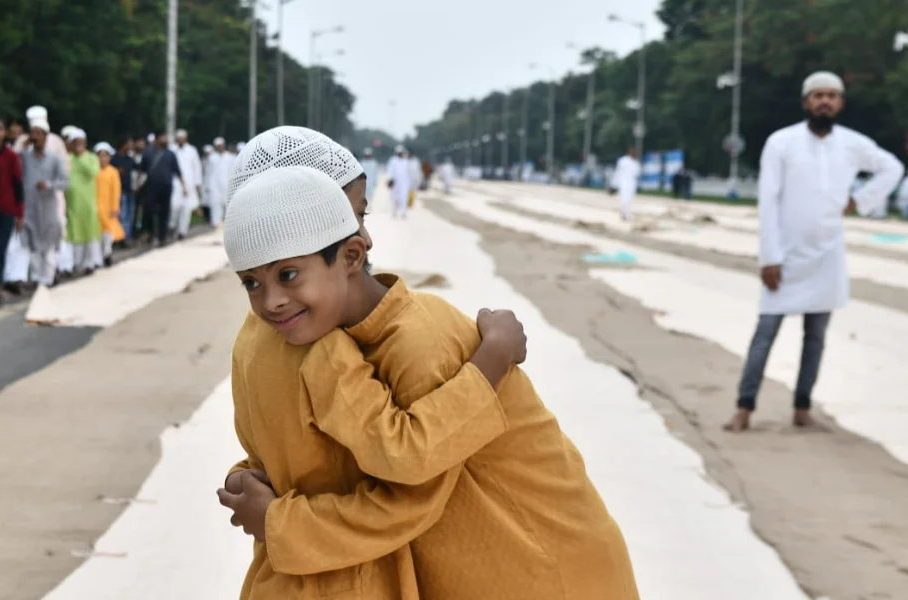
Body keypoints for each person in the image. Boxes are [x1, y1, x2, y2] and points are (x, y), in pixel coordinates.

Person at [218, 164, 638, 599]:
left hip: (540, 568)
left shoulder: (417, 342)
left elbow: (409, 469)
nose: (270, 302)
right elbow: (289, 457)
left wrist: (277, 521)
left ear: (351, 254)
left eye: (288, 274)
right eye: (251, 282)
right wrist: (245, 480)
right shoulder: (303, 340)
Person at [212, 125, 508, 597]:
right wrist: (491, 362)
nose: (366, 238)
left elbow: (266, 459)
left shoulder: (256, 335)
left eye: (362, 214)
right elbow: (408, 473)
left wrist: (242, 482)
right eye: (350, 215)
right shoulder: (319, 344)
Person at [725, 71, 903, 432]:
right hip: (785, 255)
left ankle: (803, 407)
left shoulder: (853, 144)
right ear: (806, 101)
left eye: (832, 96)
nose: (825, 101)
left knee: (816, 336)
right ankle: (744, 407)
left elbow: (892, 167)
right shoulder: (782, 143)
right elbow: (768, 202)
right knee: (765, 333)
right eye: (818, 95)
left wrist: (861, 199)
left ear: (840, 103)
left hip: (827, 256)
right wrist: (769, 257)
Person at [20, 119, 69, 287]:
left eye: (38, 133)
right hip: (30, 207)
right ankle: (35, 277)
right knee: (32, 244)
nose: (35, 137)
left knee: (49, 245)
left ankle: (47, 278)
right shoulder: (25, 156)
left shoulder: (54, 158)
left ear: (46, 136)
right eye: (32, 133)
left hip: (48, 207)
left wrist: (48, 185)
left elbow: (64, 182)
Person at [0, 116, 24, 306]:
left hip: (7, 208)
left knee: (0, 247)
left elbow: (18, 185)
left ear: (5, 133)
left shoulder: (11, 156)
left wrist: (20, 212)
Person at [61, 128, 102, 274]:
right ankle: (73, 264)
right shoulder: (67, 158)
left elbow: (93, 172)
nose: (78, 145)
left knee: (89, 233)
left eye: (80, 142)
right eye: (75, 143)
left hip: (88, 203)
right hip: (72, 203)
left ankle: (89, 263)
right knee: (74, 235)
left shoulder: (90, 157)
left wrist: (82, 155)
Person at [144, 131, 186, 247]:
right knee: (149, 211)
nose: (164, 139)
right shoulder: (148, 153)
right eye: (162, 137)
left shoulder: (170, 154)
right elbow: (142, 170)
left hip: (166, 187)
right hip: (151, 186)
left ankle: (162, 236)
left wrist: (184, 186)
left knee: (165, 212)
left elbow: (177, 171)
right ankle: (152, 233)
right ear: (157, 139)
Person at [93, 141, 124, 265]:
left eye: (106, 156)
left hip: (108, 208)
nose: (103, 159)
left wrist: (115, 207)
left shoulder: (113, 172)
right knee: (95, 236)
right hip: (95, 207)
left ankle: (107, 254)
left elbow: (116, 191)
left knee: (108, 235)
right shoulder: (93, 171)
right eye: (101, 155)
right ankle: (96, 259)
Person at [169, 129, 203, 240]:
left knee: (186, 209)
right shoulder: (172, 150)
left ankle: (182, 231)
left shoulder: (192, 150)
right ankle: (172, 226)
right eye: (179, 138)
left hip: (189, 183)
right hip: (175, 183)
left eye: (182, 138)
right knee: (174, 206)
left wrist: (197, 183)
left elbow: (197, 167)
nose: (181, 140)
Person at [110, 138, 138, 241]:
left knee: (130, 215)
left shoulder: (129, 159)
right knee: (123, 215)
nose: (131, 146)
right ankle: (122, 238)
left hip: (129, 190)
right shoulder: (115, 159)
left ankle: (127, 237)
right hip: (119, 191)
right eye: (129, 144)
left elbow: (137, 168)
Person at [203, 137, 232, 229]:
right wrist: (207, 186)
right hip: (214, 185)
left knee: (227, 205)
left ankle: (227, 224)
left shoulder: (230, 157)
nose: (220, 147)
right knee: (215, 204)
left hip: (227, 184)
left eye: (221, 145)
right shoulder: (212, 158)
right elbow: (208, 173)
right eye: (218, 146)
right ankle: (216, 224)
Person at [613, 147, 641, 221]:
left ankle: (625, 213)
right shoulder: (622, 161)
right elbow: (617, 172)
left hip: (631, 183)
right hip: (623, 182)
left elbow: (637, 174)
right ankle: (624, 213)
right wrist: (614, 184)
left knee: (629, 199)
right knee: (623, 198)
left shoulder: (636, 162)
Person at [386, 146, 412, 219]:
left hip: (404, 183)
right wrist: (390, 179)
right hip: (395, 183)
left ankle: (403, 212)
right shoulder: (393, 160)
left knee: (403, 197)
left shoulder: (406, 161)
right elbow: (390, 171)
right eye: (399, 153)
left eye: (401, 153)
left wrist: (409, 183)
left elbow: (409, 173)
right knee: (394, 198)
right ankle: (394, 211)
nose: (400, 154)